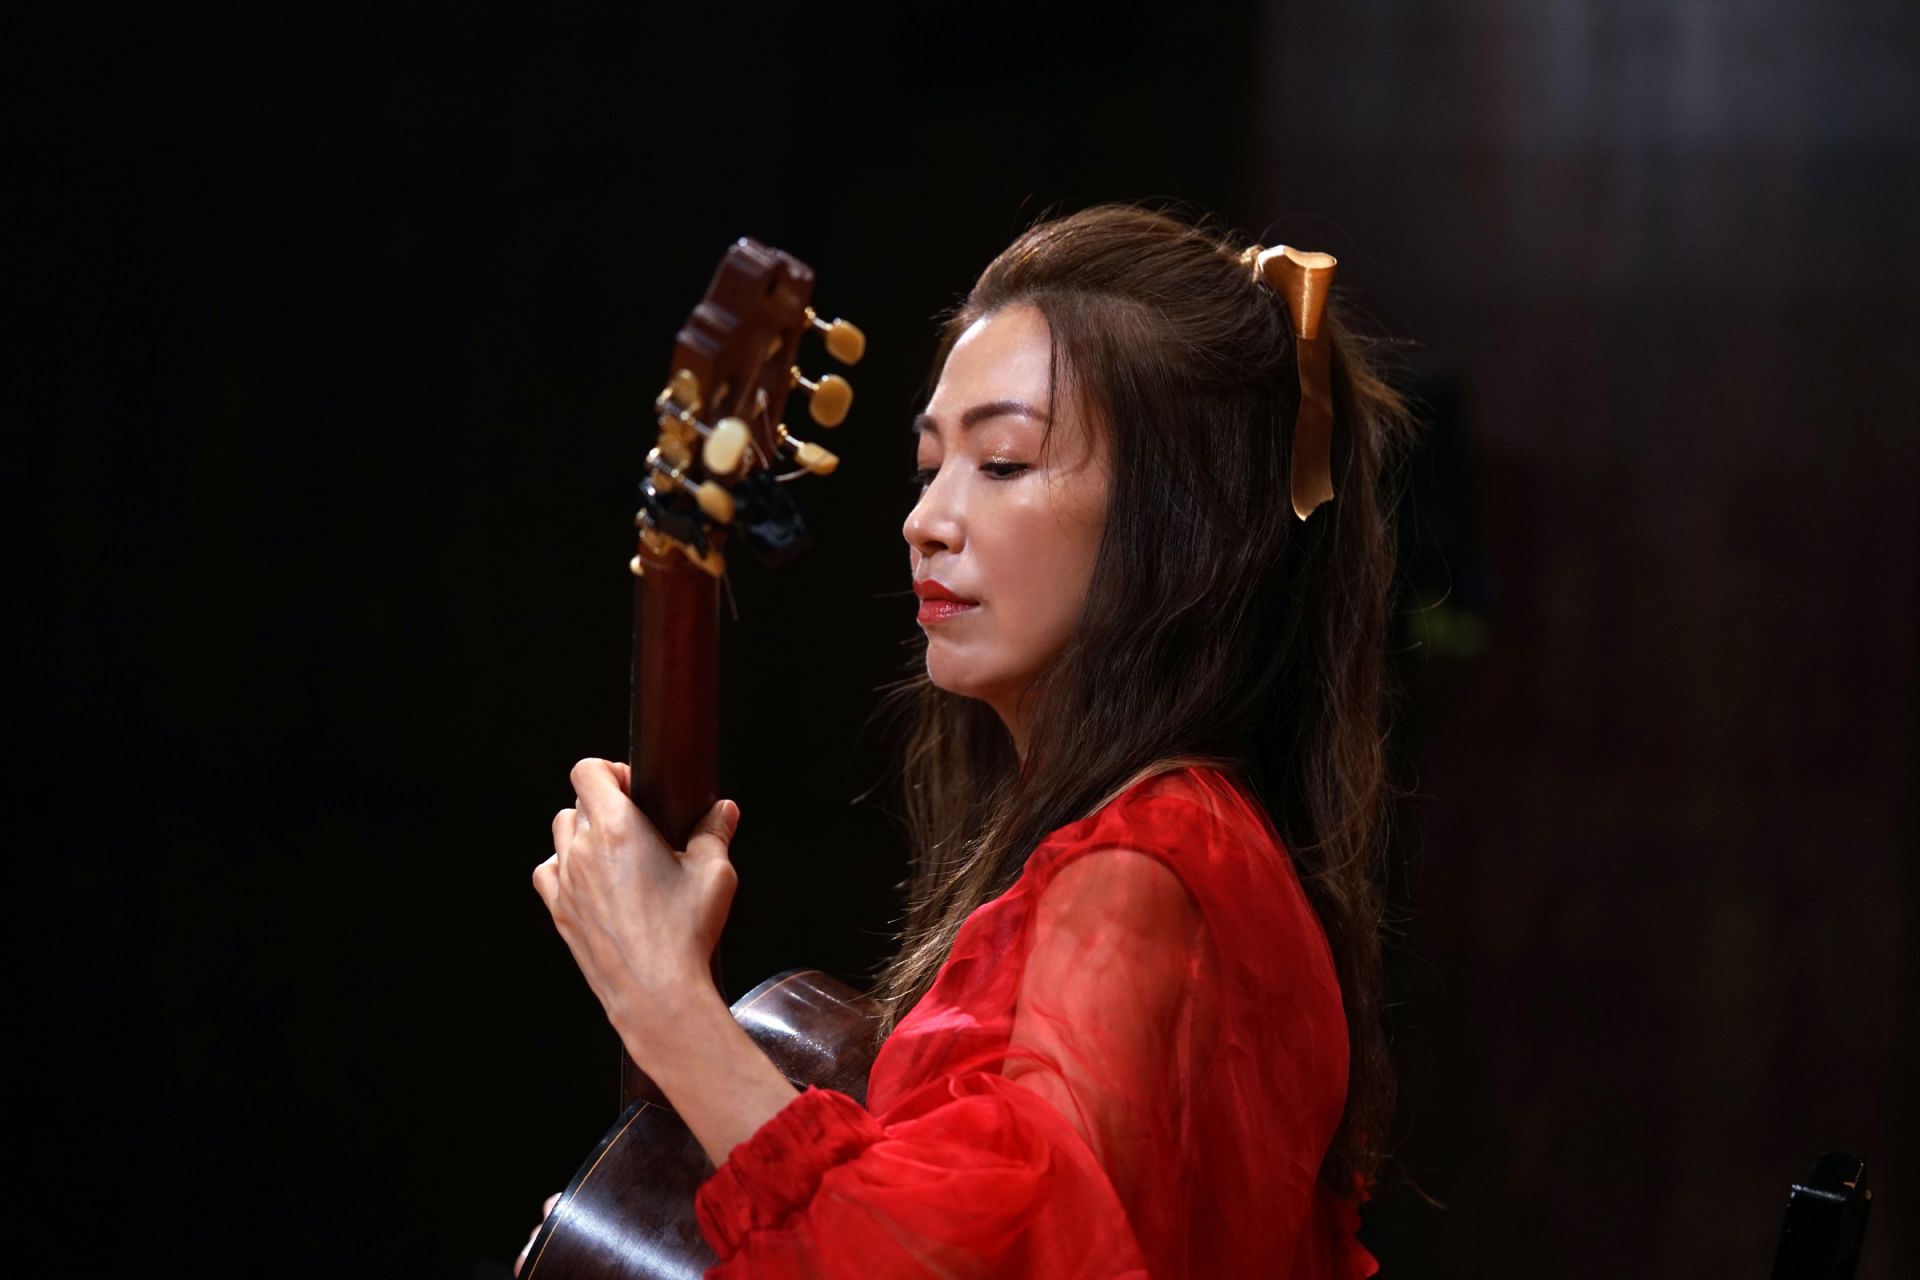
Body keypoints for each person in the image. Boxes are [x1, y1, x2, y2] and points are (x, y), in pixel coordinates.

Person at [529, 203, 1415, 1277]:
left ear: (1183, 518)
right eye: (929, 465)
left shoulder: (1147, 867)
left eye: (1001, 463)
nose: (926, 520)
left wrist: (668, 1003)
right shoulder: (1178, 845)